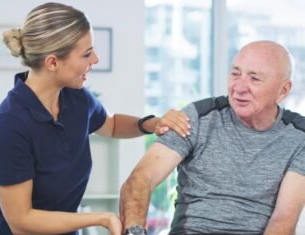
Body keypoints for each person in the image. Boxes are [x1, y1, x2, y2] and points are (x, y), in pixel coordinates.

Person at [0, 2, 191, 235]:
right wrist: (101, 218)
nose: (96, 59)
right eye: (86, 53)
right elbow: (21, 222)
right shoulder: (9, 127)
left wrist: (151, 124)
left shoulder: (76, 98)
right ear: (52, 62)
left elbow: (111, 125)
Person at [120, 40, 305, 235]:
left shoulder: (299, 137)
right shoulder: (198, 117)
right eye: (235, 74)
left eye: (254, 79)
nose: (239, 87)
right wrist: (135, 231)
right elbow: (140, 178)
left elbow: (283, 220)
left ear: (283, 90)